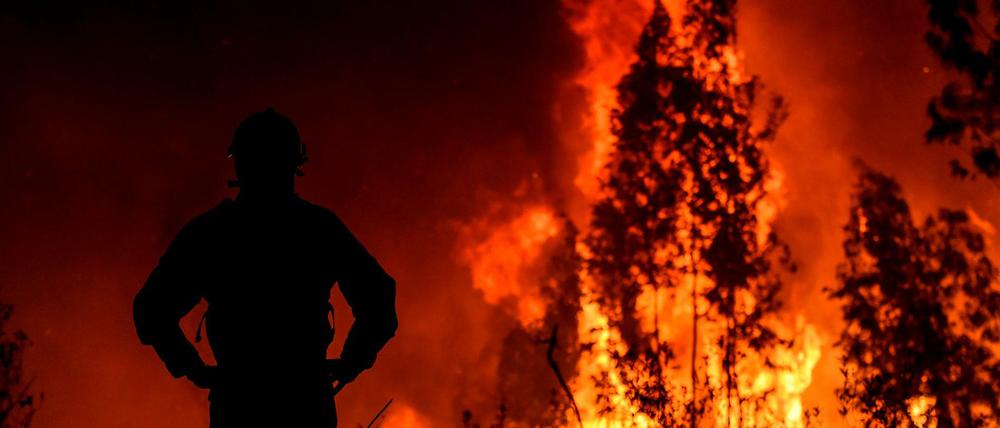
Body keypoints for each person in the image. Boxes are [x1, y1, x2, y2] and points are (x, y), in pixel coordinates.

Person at [133, 108, 398, 427]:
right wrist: (352, 361)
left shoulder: (213, 233)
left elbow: (151, 311)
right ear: (295, 164)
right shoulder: (318, 228)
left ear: (239, 164)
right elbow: (379, 299)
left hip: (239, 403)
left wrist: (194, 369)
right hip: (304, 401)